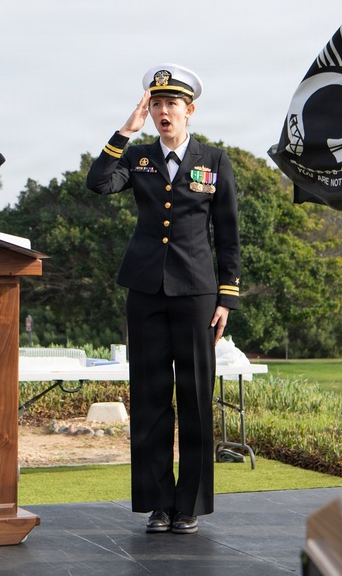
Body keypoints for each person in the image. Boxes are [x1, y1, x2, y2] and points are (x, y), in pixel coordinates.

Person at [86, 64, 240, 535]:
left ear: (189, 110)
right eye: (155, 105)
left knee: (195, 399)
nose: (163, 112)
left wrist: (226, 297)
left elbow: (229, 233)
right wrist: (123, 133)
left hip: (196, 294)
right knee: (150, 399)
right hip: (146, 291)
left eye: (172, 104)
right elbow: (98, 182)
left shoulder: (214, 160)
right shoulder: (139, 158)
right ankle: (157, 502)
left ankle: (188, 504)